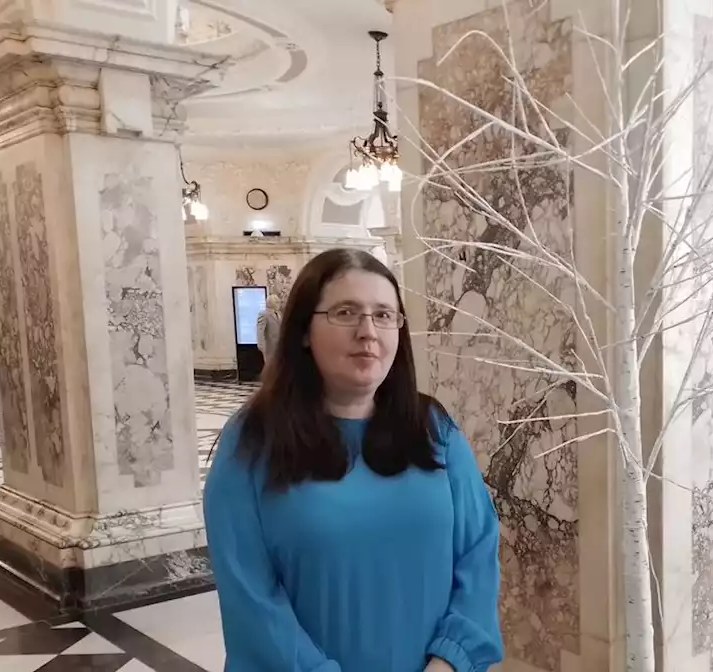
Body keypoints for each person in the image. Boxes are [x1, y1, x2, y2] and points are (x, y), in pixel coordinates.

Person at [204, 248, 503, 672]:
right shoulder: (251, 442)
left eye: (384, 315)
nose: (368, 331)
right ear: (304, 330)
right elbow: (251, 598)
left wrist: (451, 660)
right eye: (346, 312)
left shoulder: (433, 430)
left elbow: (478, 549)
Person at [256, 294, 283, 362]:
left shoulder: (279, 314)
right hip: (269, 347)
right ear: (272, 303)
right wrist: (261, 346)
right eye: (277, 302)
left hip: (279, 347)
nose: (279, 304)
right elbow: (260, 331)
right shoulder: (264, 314)